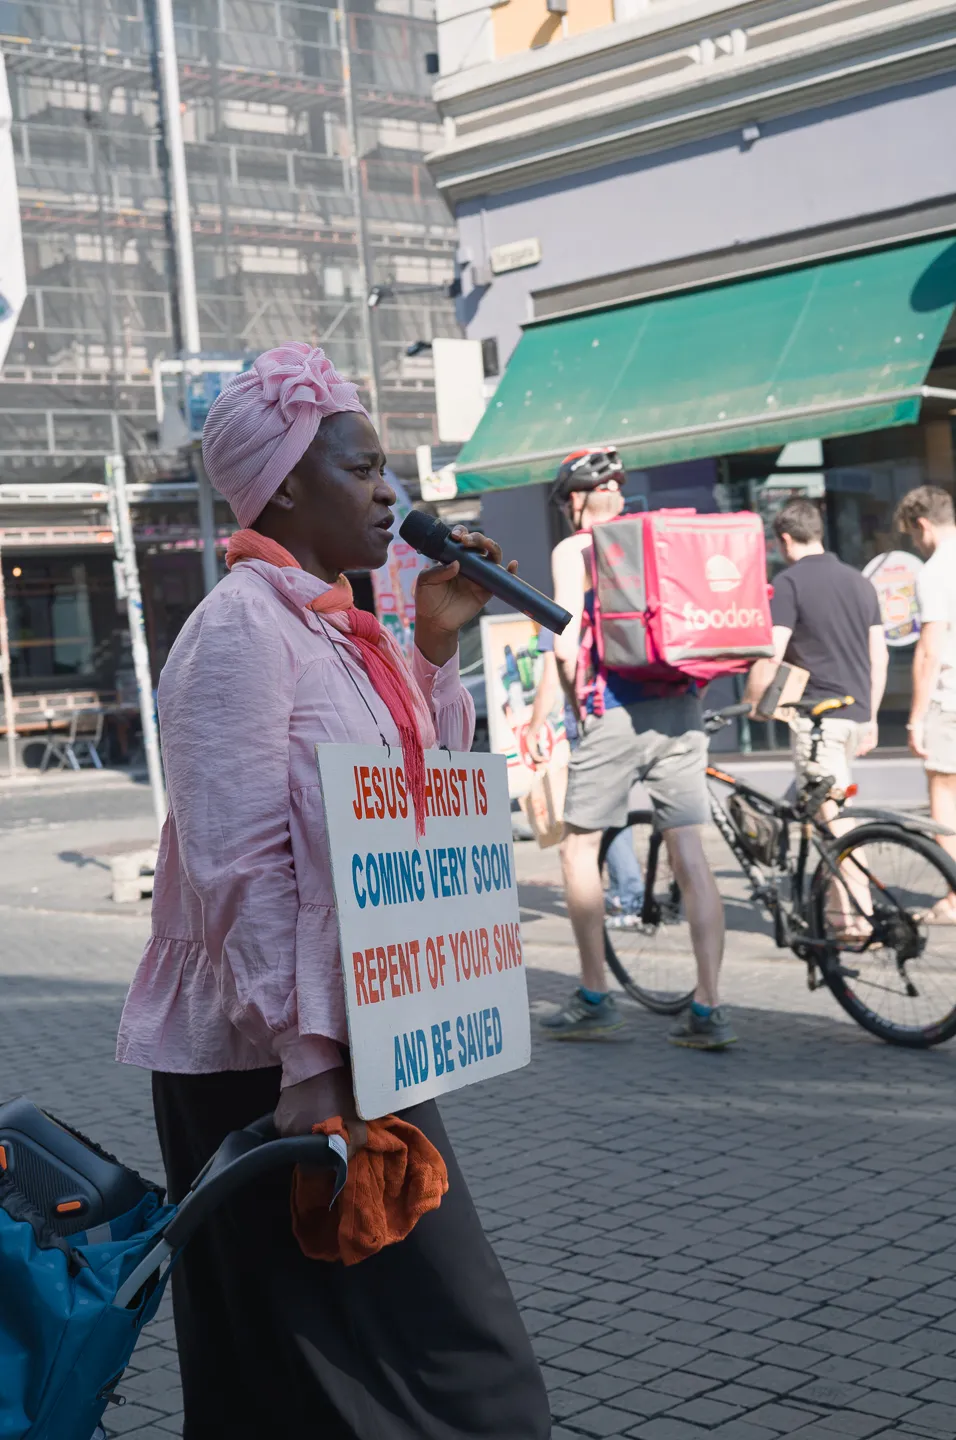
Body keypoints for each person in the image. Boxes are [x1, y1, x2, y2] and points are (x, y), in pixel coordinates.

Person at [115, 344, 549, 1440]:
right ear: (287, 485)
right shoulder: (237, 634)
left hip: (357, 1040)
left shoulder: (337, 627)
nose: (392, 492)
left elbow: (420, 795)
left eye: (386, 469)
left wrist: (435, 650)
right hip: (277, 1065)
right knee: (436, 1368)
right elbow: (235, 868)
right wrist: (307, 1067)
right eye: (363, 469)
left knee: (302, 1381)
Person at [537, 449, 733, 1050]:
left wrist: (565, 708)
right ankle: (709, 1005)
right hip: (681, 707)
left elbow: (567, 646)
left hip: (613, 710)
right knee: (690, 854)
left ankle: (595, 995)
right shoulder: (663, 538)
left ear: (574, 502)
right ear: (618, 494)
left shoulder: (576, 550)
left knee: (578, 849)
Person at [744, 497, 887, 931]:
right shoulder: (860, 581)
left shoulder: (788, 584)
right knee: (820, 813)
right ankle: (834, 912)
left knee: (836, 819)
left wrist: (754, 705)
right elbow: (878, 655)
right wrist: (873, 715)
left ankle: (863, 915)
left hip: (819, 719)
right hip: (856, 714)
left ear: (784, 539)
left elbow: (773, 651)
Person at [527, 598, 644, 925]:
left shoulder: (557, 612)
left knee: (599, 818)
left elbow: (551, 681)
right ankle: (630, 892)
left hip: (590, 722)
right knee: (620, 810)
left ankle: (628, 897)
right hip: (628, 714)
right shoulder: (616, 599)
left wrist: (534, 728)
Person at [894, 484, 956, 920]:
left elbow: (930, 648)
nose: (916, 545)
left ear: (922, 525)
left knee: (944, 800)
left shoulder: (934, 572)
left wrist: (916, 718)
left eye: (913, 537)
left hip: (950, 700)